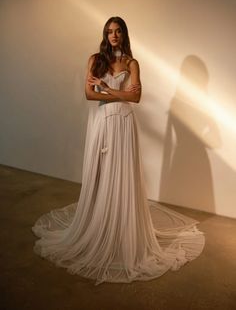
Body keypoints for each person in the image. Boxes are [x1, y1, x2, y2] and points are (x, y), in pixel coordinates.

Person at [32, 16, 205, 286]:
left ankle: (123, 232)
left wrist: (106, 89)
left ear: (124, 34)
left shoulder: (131, 63)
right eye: (109, 31)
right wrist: (116, 92)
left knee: (123, 175)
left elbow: (136, 98)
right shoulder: (95, 60)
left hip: (124, 125)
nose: (113, 35)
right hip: (103, 123)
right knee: (102, 174)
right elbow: (89, 95)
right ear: (105, 34)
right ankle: (100, 227)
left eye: (118, 31)